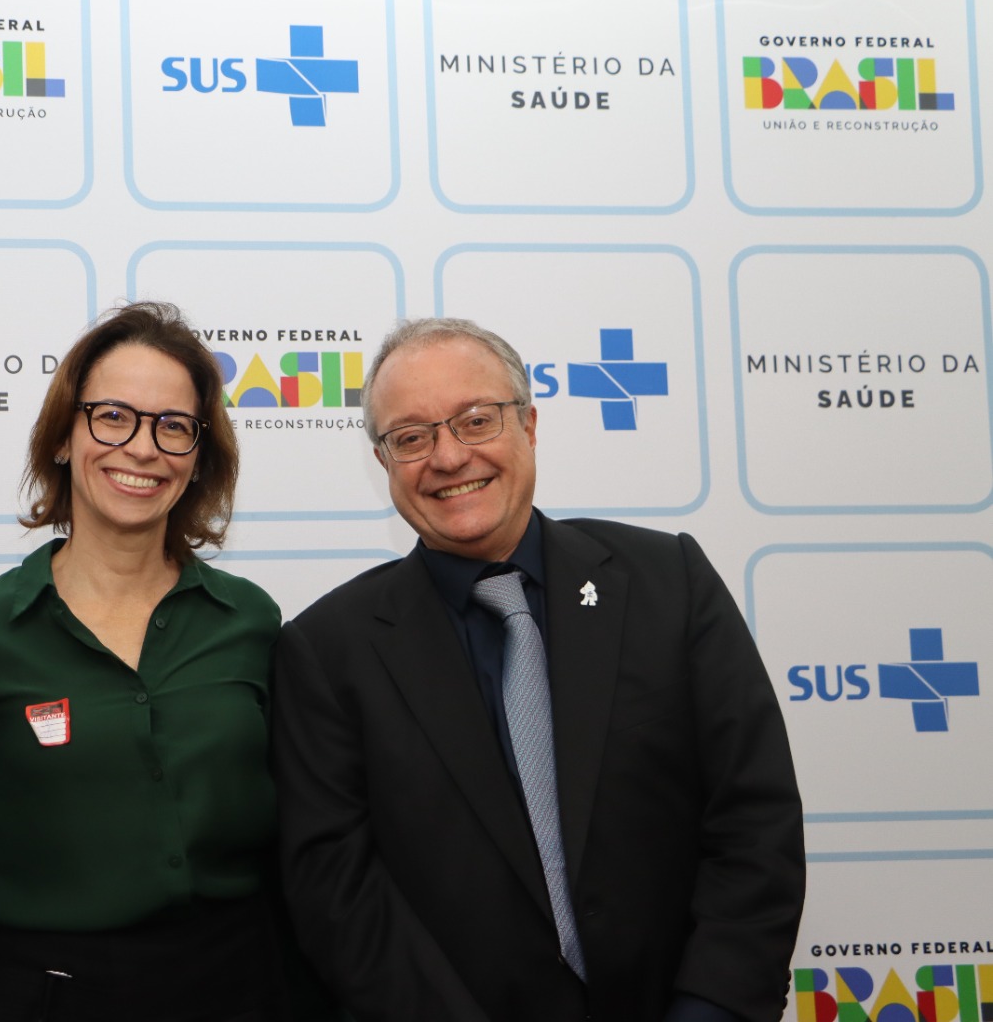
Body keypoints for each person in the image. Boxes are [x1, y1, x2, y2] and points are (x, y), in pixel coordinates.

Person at [271, 317, 805, 1022]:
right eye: (412, 437)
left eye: (476, 420)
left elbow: (754, 817)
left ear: (529, 424)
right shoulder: (326, 651)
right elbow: (340, 898)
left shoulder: (669, 583)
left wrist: (711, 1009)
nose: (449, 457)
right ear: (384, 462)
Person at [0, 302, 315, 1022]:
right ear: (63, 436)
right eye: (112, 417)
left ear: (198, 455)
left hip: (243, 985)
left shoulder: (250, 620)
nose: (142, 448)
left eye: (174, 426)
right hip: (49, 994)